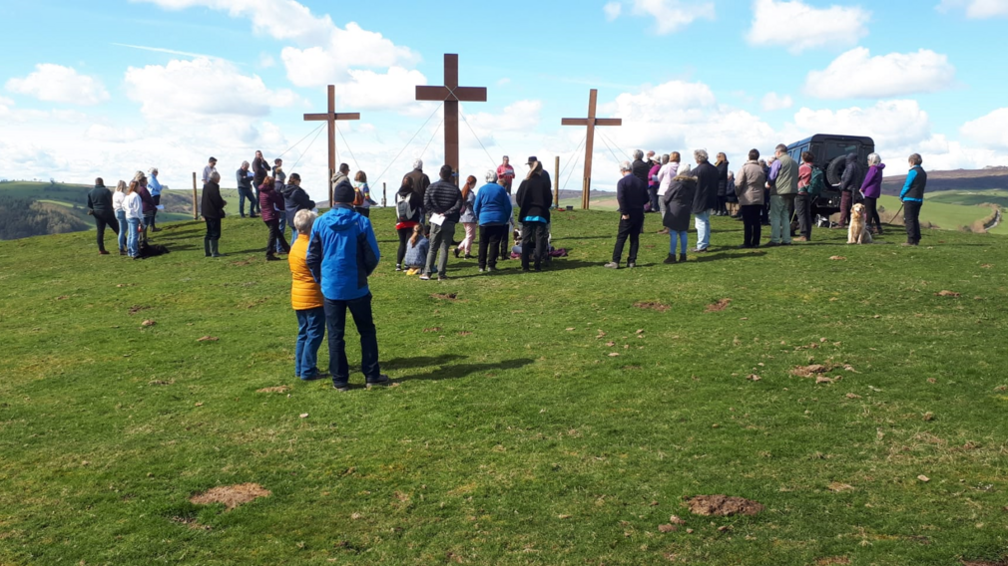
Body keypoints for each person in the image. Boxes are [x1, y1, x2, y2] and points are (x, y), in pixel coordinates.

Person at [305, 181, 388, 391]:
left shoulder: (320, 223)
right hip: (357, 286)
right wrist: (363, 273)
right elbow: (373, 255)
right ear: (353, 200)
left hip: (331, 287)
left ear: (334, 199)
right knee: (367, 331)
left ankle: (340, 380)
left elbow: (311, 257)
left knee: (335, 335)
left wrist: (321, 279)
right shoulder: (361, 222)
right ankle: (371, 374)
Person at [289, 209, 327, 381]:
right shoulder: (310, 247)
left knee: (303, 332)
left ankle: (300, 367)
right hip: (312, 296)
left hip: (298, 295)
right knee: (314, 333)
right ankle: (308, 369)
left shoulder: (295, 245)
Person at [421, 165, 462, 280]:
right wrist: (447, 213)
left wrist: (434, 213)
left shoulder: (431, 187)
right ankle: (441, 274)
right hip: (449, 221)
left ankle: (427, 272)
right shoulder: (455, 189)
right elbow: (458, 205)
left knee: (432, 247)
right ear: (450, 176)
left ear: (440, 174)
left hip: (435, 220)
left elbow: (426, 203)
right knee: (444, 248)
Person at [605, 161, 648, 269]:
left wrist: (624, 212)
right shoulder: (640, 182)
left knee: (621, 237)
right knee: (634, 238)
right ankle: (632, 261)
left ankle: (616, 261)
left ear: (623, 170)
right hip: (638, 212)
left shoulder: (622, 182)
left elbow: (621, 198)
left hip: (627, 213)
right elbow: (646, 198)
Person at [515, 160, 552, 272]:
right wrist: (543, 207)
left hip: (527, 214)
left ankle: (525, 265)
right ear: (540, 170)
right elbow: (549, 200)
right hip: (540, 214)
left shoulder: (525, 182)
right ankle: (537, 264)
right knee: (539, 239)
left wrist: (524, 206)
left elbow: (518, 198)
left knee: (525, 240)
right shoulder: (544, 183)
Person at [473, 170, 512, 273]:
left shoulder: (481, 189)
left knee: (483, 243)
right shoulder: (501, 189)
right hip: (498, 219)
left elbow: (476, 206)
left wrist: (478, 217)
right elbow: (508, 206)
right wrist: (505, 218)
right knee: (495, 243)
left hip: (484, 219)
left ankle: (481, 266)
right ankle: (491, 265)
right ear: (496, 178)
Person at [661, 162, 696, 264]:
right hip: (686, 208)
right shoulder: (692, 183)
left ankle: (672, 255)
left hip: (675, 207)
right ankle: (683, 254)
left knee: (673, 232)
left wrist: (667, 203)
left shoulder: (675, 182)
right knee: (683, 232)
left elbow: (667, 196)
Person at [766, 143, 798, 247]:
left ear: (778, 152)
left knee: (775, 216)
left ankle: (775, 239)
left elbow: (772, 176)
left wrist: (768, 184)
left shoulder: (778, 162)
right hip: (791, 191)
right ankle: (786, 239)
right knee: (785, 216)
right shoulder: (794, 162)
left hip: (779, 191)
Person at [734, 149, 766, 249]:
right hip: (759, 197)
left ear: (749, 156)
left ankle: (747, 242)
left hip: (747, 197)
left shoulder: (745, 168)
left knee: (747, 221)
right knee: (756, 221)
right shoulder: (761, 169)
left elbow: (738, 183)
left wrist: (738, 193)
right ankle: (756, 242)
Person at [691, 149, 719, 253]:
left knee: (700, 222)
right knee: (705, 221)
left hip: (700, 198)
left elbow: (692, 186)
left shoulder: (696, 171)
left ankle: (702, 245)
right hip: (711, 197)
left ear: (697, 159)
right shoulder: (714, 169)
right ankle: (705, 242)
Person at [394, 177, 422, 271]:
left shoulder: (397, 194)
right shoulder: (414, 195)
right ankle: (407, 265)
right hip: (411, 222)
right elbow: (421, 205)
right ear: (411, 184)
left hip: (400, 222)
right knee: (408, 243)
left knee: (402, 243)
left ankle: (398, 264)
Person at [259, 175, 289, 261]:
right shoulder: (271, 192)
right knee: (273, 235)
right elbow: (279, 202)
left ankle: (287, 249)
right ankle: (269, 253)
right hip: (272, 215)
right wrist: (284, 208)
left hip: (265, 215)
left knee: (278, 233)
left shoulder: (262, 191)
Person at [900, 153, 927, 246]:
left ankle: (910, 240)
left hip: (910, 198)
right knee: (915, 219)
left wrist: (901, 195)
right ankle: (916, 238)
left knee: (909, 219)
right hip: (919, 199)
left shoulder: (913, 172)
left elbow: (907, 185)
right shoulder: (923, 172)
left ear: (912, 162)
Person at [87, 177, 119, 255]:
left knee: (100, 232)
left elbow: (89, 204)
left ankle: (101, 249)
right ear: (102, 182)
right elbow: (110, 202)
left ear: (96, 183)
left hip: (97, 213)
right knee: (117, 229)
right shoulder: (106, 191)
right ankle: (126, 244)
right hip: (107, 212)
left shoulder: (91, 192)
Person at [201, 171, 226, 257]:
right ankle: (214, 252)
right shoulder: (214, 187)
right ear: (216, 178)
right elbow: (217, 201)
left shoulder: (206, 186)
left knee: (209, 232)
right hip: (213, 213)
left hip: (207, 213)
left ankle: (207, 251)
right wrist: (222, 203)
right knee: (215, 233)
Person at [860, 153, 885, 234]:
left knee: (868, 209)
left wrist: (862, 188)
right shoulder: (879, 169)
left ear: (871, 160)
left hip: (869, 191)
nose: (868, 161)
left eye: (868, 160)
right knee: (873, 210)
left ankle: (868, 227)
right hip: (875, 191)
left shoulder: (873, 168)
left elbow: (868, 180)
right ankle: (878, 226)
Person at [454, 175, 477, 259]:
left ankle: (459, 249)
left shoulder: (463, 192)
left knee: (471, 235)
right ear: (473, 183)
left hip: (464, 216)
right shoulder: (470, 194)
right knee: (470, 236)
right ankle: (467, 253)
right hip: (470, 216)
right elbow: (474, 206)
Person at [656, 152, 679, 234]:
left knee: (663, 209)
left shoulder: (666, 166)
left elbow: (659, 177)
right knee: (674, 209)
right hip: (676, 190)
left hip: (664, 190)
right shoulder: (680, 166)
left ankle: (667, 227)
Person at [837, 152, 862, 228]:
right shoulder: (857, 167)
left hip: (847, 189)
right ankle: (850, 222)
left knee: (843, 207)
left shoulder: (850, 166)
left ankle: (841, 223)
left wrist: (842, 186)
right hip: (854, 189)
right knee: (850, 207)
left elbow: (848, 178)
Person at [795, 152, 815, 242]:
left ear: (803, 158)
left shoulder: (803, 167)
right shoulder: (813, 167)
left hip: (801, 192)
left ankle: (803, 235)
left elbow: (796, 177)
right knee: (807, 214)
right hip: (809, 192)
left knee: (801, 214)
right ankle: (808, 234)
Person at [404, 158, 431, 223]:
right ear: (421, 166)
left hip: (408, 204)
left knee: (410, 224)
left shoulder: (406, 176)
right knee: (420, 226)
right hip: (420, 205)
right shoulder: (424, 177)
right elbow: (428, 192)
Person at [123, 180, 144, 260]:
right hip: (134, 217)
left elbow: (123, 205)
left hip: (128, 216)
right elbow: (138, 209)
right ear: (136, 187)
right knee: (135, 236)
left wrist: (128, 211)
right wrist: (141, 219)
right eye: (139, 186)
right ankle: (134, 253)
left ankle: (130, 252)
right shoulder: (136, 196)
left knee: (130, 235)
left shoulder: (128, 195)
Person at [134, 171, 155, 243]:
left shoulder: (137, 188)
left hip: (141, 208)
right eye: (146, 181)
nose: (147, 182)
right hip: (146, 208)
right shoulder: (143, 189)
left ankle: (143, 238)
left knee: (142, 225)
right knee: (144, 225)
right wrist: (153, 205)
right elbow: (148, 198)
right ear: (143, 181)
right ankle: (142, 239)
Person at [112, 180, 128, 255]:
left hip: (116, 211)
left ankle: (122, 246)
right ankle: (121, 248)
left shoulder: (115, 194)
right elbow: (125, 205)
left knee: (122, 230)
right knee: (122, 231)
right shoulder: (122, 195)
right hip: (122, 212)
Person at [253, 150, 269, 215]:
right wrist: (264, 170)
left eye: (260, 154)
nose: (260, 155)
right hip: (258, 181)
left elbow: (269, 168)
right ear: (256, 155)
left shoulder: (263, 161)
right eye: (258, 154)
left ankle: (263, 208)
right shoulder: (255, 162)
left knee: (264, 195)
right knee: (258, 195)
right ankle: (257, 209)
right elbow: (257, 170)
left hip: (264, 180)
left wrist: (264, 162)